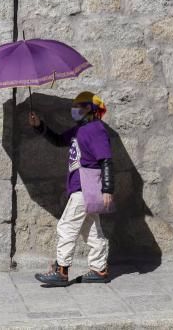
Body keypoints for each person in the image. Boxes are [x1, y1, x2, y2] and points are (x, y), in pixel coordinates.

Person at [28, 91, 114, 286]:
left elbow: (106, 159)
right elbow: (58, 140)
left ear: (91, 109)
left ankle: (61, 271)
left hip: (85, 187)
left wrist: (108, 188)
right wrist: (39, 126)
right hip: (81, 187)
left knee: (66, 226)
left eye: (80, 106)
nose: (75, 109)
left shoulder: (95, 129)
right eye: (74, 106)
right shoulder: (79, 130)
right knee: (91, 229)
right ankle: (100, 269)